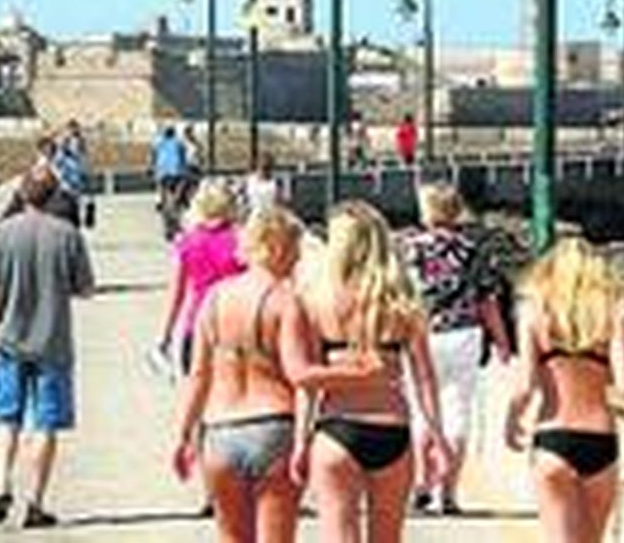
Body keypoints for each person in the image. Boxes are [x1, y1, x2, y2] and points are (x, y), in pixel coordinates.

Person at [171, 207, 385, 543]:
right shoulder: (287, 302)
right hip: (274, 426)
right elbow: (300, 375)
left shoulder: (213, 299)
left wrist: (184, 435)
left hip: (219, 432)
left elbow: (198, 376)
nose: (299, 259)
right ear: (278, 247)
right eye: (296, 249)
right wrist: (359, 374)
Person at [303, 201, 451, 543]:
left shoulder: (317, 300)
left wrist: (300, 439)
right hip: (392, 429)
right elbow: (424, 377)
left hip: (335, 428)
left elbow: (307, 381)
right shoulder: (401, 303)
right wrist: (436, 435)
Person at [0, 169, 96, 529]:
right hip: (52, 345)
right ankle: (35, 504)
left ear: (22, 196)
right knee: (45, 424)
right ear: (53, 196)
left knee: (5, 418)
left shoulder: (2, 234)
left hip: (8, 342)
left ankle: (1, 485)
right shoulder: (68, 235)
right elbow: (86, 289)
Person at [505, 239, 624, 543]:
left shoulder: (533, 313)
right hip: (600, 439)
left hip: (554, 435)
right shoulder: (611, 313)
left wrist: (512, 421)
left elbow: (525, 384)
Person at [402, 184, 512, 516]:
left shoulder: (408, 249)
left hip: (422, 334)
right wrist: (503, 341)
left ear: (427, 211)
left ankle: (422, 483)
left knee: (422, 409)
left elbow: (401, 297)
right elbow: (488, 300)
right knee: (458, 412)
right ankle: (447, 491)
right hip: (464, 334)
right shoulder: (473, 249)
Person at [156, 180, 246, 378]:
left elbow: (176, 295)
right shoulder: (241, 241)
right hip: (237, 326)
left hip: (197, 325)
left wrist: (165, 335)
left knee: (199, 392)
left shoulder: (187, 243)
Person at [153, 126, 193, 238]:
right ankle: (177, 210)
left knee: (164, 197)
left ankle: (161, 203)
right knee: (177, 199)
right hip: (177, 174)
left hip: (162, 174)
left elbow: (154, 158)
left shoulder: (158, 143)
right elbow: (184, 158)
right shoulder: (179, 143)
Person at [243, 153, 287, 220]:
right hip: (253, 216)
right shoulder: (249, 181)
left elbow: (280, 203)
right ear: (257, 166)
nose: (264, 171)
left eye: (268, 168)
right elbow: (243, 201)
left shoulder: (277, 183)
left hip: (271, 217)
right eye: (263, 167)